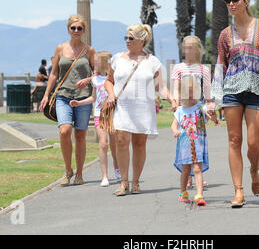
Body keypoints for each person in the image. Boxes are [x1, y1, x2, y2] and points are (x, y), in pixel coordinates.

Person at [211, 0, 259, 208]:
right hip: (232, 90)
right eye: (228, 1)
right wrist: (214, 99)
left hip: (257, 90)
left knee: (254, 143)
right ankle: (238, 191)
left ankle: (254, 169)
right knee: (234, 140)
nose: (231, 4)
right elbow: (221, 65)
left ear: (246, 0)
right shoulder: (225, 34)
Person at [104, 23, 177, 196]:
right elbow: (108, 81)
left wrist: (172, 99)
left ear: (142, 41)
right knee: (121, 140)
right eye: (126, 38)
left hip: (143, 107)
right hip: (122, 107)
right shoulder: (117, 59)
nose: (127, 41)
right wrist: (110, 94)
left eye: (131, 38)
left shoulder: (152, 62)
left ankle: (135, 181)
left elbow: (161, 87)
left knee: (139, 143)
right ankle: (123, 182)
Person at [40, 15, 96, 186]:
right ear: (68, 29)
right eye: (73, 28)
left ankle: (79, 172)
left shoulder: (89, 50)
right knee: (64, 131)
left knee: (80, 135)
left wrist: (87, 80)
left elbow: (97, 73)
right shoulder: (60, 48)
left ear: (84, 30)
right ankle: (68, 170)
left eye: (80, 28)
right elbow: (54, 73)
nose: (76, 31)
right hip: (63, 95)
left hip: (83, 97)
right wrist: (46, 94)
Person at [69, 52, 120, 187]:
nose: (94, 64)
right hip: (99, 114)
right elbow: (93, 98)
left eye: (96, 62)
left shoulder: (114, 78)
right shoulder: (95, 80)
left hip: (114, 114)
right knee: (103, 143)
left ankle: (117, 167)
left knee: (115, 146)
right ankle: (104, 176)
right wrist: (79, 103)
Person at [171, 35, 212, 188]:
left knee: (198, 141)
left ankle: (198, 174)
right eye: (185, 48)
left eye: (190, 48)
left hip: (198, 109)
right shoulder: (178, 68)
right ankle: (187, 174)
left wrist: (210, 106)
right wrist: (175, 102)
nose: (187, 51)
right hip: (184, 108)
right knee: (185, 141)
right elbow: (176, 88)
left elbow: (207, 91)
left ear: (197, 50)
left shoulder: (204, 69)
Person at [171, 75, 218, 206]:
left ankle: (199, 194)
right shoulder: (180, 110)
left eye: (193, 93)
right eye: (187, 94)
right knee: (186, 169)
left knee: (197, 168)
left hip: (198, 145)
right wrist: (175, 131)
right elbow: (174, 125)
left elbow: (211, 118)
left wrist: (214, 117)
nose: (190, 97)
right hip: (185, 145)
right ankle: (183, 192)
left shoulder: (200, 108)